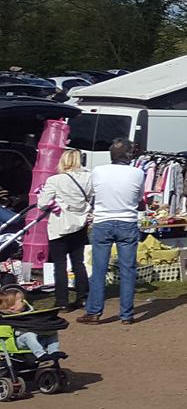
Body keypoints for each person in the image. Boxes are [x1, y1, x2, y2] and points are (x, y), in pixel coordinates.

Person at [82, 138, 146, 326]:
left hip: (103, 222)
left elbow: (93, 194)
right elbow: (140, 199)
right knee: (128, 270)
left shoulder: (98, 171)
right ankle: (126, 315)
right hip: (127, 222)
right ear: (129, 154)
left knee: (99, 269)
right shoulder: (138, 173)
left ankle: (94, 312)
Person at [33, 148, 91, 312]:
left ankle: (62, 301)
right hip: (80, 224)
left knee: (60, 264)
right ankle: (83, 297)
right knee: (78, 262)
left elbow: (42, 203)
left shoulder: (55, 180)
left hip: (60, 225)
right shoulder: (89, 178)